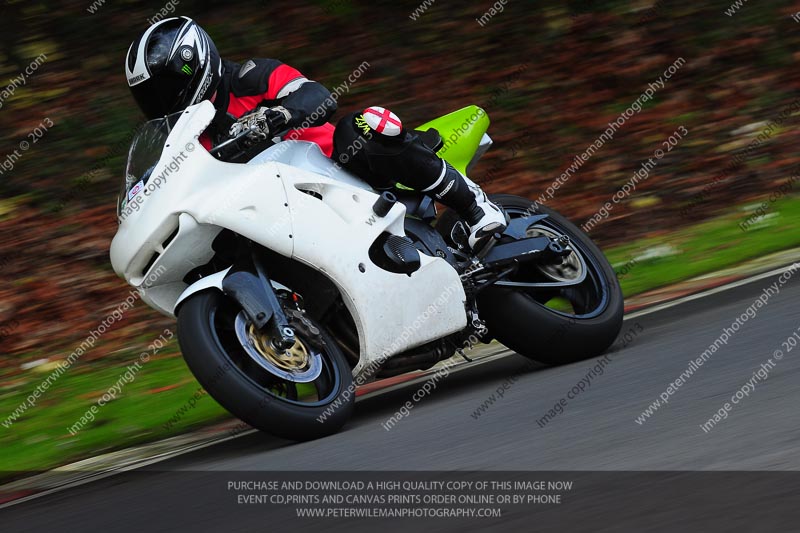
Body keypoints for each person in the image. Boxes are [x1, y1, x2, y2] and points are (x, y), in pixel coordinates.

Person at [125, 16, 506, 249]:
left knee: (357, 128)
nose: (160, 101)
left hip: (343, 170)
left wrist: (275, 117)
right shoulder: (189, 135)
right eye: (148, 96)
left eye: (163, 87)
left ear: (194, 63)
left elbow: (316, 95)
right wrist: (141, 194)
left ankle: (472, 204)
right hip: (286, 208)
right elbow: (168, 175)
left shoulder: (249, 76)